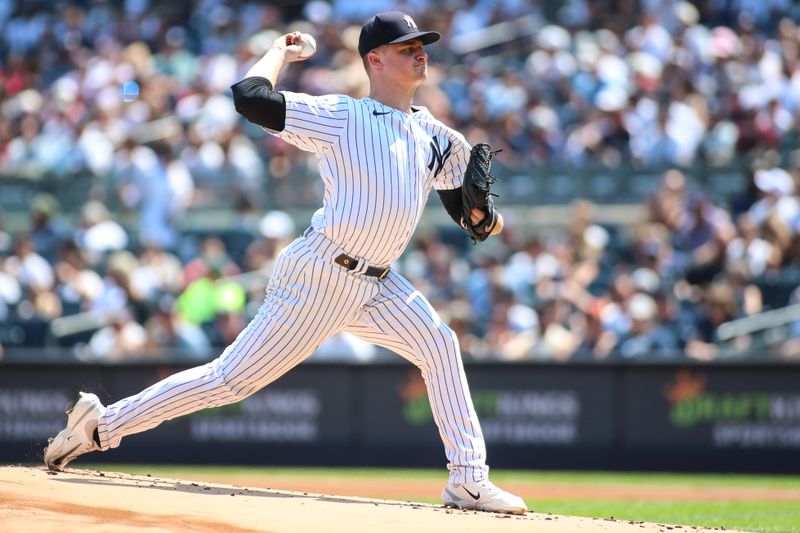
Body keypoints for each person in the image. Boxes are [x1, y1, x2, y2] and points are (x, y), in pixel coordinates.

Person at [44, 12, 526, 515]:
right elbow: (250, 97)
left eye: (421, 45)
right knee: (230, 380)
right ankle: (102, 425)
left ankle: (468, 480)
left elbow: (468, 214)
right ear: (375, 60)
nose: (420, 52)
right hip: (321, 273)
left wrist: (485, 219)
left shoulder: (438, 136)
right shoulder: (344, 115)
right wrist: (281, 51)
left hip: (380, 284)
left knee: (440, 345)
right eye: (406, 47)